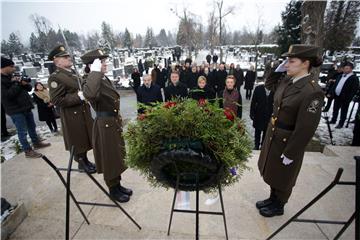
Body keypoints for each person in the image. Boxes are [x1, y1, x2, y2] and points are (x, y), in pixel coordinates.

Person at [257, 44, 324, 217]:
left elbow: (306, 128)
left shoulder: (311, 91)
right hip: (275, 134)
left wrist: (291, 152)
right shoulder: (287, 80)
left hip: (289, 140)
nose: (287, 64)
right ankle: (272, 199)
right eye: (287, 61)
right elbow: (269, 84)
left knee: (284, 174)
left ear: (305, 63)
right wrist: (277, 69)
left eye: (291, 61)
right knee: (273, 170)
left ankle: (279, 204)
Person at [81, 49, 133, 203]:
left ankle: (117, 185)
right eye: (102, 62)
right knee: (110, 158)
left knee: (116, 156)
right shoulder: (89, 80)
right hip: (105, 125)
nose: (105, 64)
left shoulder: (102, 78)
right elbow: (90, 95)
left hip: (112, 122)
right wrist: (94, 72)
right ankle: (112, 189)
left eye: (103, 62)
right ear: (93, 65)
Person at [48, 45, 96, 173]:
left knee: (84, 138)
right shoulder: (55, 77)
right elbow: (57, 100)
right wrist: (78, 96)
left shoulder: (72, 72)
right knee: (77, 140)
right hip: (71, 115)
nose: (69, 58)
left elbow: (80, 86)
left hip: (82, 111)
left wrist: (87, 78)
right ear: (56, 60)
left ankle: (85, 161)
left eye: (68, 56)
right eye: (65, 57)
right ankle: (81, 162)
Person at [1, 57, 50, 158]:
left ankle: (36, 142)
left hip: (26, 107)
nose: (14, 68)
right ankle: (27, 150)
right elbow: (8, 96)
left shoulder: (13, 76)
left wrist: (23, 82)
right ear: (3, 67)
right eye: (11, 66)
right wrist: (18, 83)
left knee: (32, 127)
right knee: (22, 131)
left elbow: (29, 88)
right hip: (16, 110)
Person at [330, 62, 359, 128]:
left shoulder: (354, 78)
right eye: (345, 68)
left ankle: (341, 123)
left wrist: (349, 98)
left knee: (343, 111)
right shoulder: (340, 76)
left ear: (351, 69)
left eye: (347, 68)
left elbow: (354, 90)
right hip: (337, 95)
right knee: (335, 109)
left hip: (345, 98)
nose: (345, 70)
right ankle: (333, 120)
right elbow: (335, 85)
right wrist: (332, 92)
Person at [250, 82, 274, 150]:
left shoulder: (274, 89)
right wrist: (252, 113)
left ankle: (263, 145)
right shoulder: (258, 88)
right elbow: (253, 101)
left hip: (269, 115)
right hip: (259, 114)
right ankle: (256, 145)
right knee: (257, 131)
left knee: (266, 131)